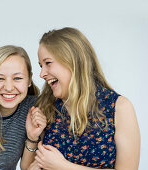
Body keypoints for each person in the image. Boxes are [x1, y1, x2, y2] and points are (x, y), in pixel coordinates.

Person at [27, 27, 140, 169]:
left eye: (48, 63)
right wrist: (32, 138)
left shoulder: (119, 108)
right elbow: (29, 166)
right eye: (40, 66)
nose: (42, 74)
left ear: (73, 61)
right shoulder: (46, 106)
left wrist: (63, 166)